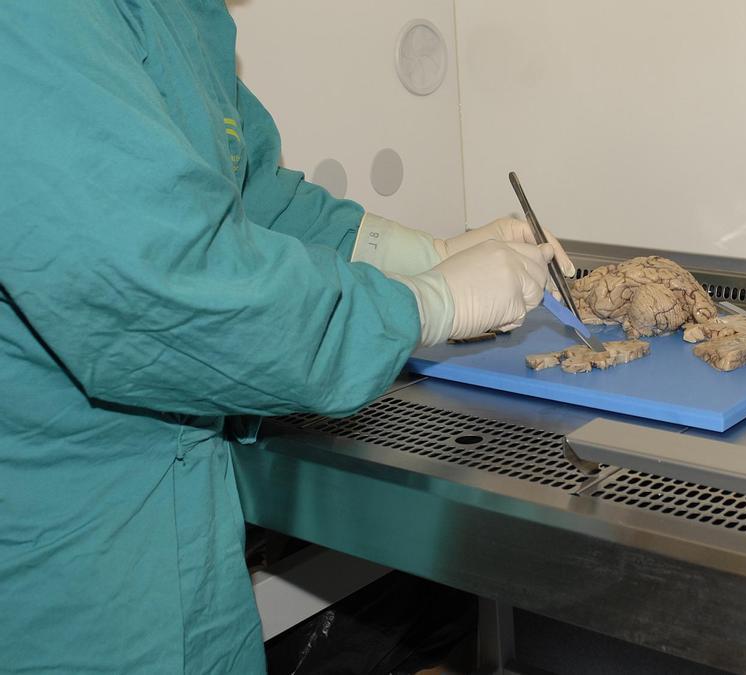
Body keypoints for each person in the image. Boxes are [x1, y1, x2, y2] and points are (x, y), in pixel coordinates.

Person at [0, 2, 575, 673]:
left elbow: (252, 199)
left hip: (182, 544)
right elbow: (176, 288)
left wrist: (422, 252)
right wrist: (428, 304)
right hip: (77, 575)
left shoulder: (179, 16)